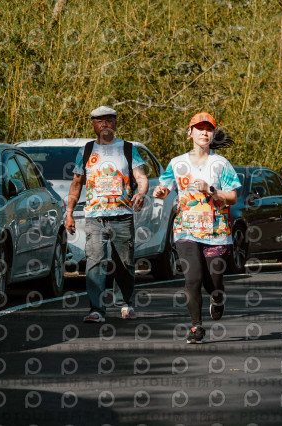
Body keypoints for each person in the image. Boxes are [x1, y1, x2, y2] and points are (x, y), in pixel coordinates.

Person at [153, 112, 241, 344]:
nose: (204, 132)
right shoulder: (177, 163)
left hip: (216, 232)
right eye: (199, 128)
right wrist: (160, 192)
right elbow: (164, 187)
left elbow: (232, 197)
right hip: (186, 230)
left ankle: (217, 298)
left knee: (215, 281)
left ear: (213, 134)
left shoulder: (220, 164)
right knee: (192, 278)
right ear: (189, 132)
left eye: (209, 129)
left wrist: (211, 190)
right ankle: (196, 327)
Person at [66, 106, 149, 323]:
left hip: (122, 215)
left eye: (109, 120)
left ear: (115, 123)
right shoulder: (86, 150)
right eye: (100, 121)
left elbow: (141, 177)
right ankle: (96, 310)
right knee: (95, 262)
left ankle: (125, 304)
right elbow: (76, 183)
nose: (105, 124)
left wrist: (141, 193)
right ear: (93, 125)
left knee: (125, 263)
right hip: (95, 217)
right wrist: (69, 213)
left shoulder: (127, 148)